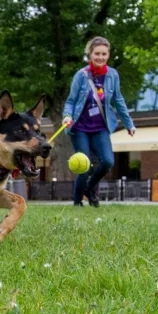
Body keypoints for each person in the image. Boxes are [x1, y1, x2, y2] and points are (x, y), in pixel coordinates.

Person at [62, 36, 136, 207]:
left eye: (104, 54)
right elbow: (71, 101)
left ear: (108, 55)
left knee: (108, 161)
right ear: (90, 54)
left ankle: (88, 189)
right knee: (84, 165)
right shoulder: (81, 76)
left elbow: (118, 100)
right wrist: (67, 116)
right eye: (97, 54)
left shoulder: (112, 75)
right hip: (80, 127)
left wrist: (128, 123)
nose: (100, 57)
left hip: (100, 127)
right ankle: (77, 201)